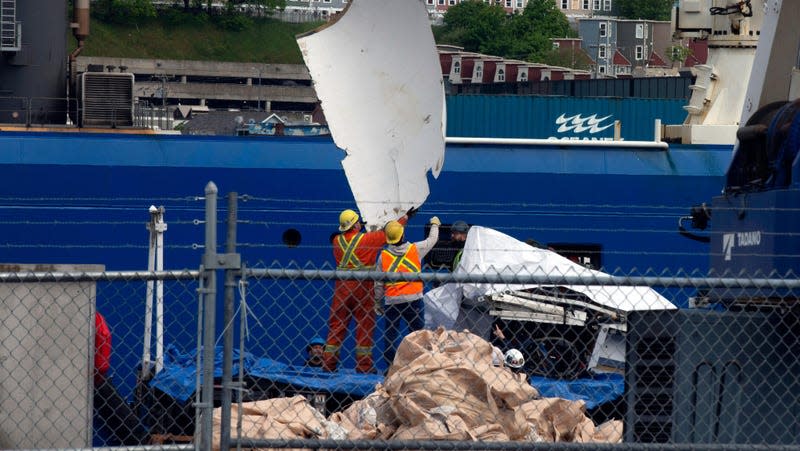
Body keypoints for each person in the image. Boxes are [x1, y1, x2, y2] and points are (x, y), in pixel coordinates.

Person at [323, 208, 412, 373]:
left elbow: (350, 241)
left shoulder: (336, 241)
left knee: (337, 325)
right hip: (363, 288)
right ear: (356, 224)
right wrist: (405, 217)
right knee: (364, 326)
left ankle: (329, 364)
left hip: (342, 288)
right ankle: (364, 367)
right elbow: (390, 232)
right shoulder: (368, 239)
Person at [375, 216, 440, 368]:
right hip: (414, 300)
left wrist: (378, 302)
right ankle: (420, 363)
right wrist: (435, 224)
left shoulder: (383, 256)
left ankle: (391, 366)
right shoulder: (415, 249)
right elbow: (432, 239)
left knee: (391, 335)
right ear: (402, 234)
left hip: (392, 301)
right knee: (418, 334)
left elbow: (378, 283)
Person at [94, 312, 150, 446]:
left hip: (95, 378)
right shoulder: (94, 318)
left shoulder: (93, 318)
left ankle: (140, 440)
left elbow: (101, 366)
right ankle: (140, 440)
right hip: (94, 377)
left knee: (102, 387)